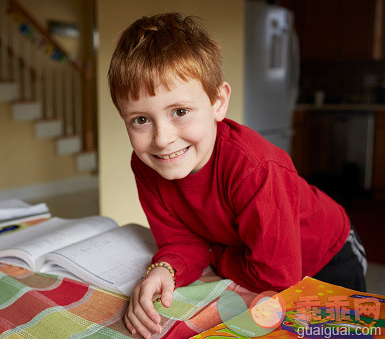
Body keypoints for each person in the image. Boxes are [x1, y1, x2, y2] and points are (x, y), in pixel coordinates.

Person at [108, 13, 367, 338]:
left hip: (329, 254)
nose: (162, 138)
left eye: (180, 112)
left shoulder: (255, 168)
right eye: (140, 120)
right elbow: (180, 239)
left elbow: (277, 276)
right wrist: (165, 268)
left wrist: (215, 253)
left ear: (218, 102)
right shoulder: (147, 165)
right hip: (255, 260)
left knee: (344, 332)